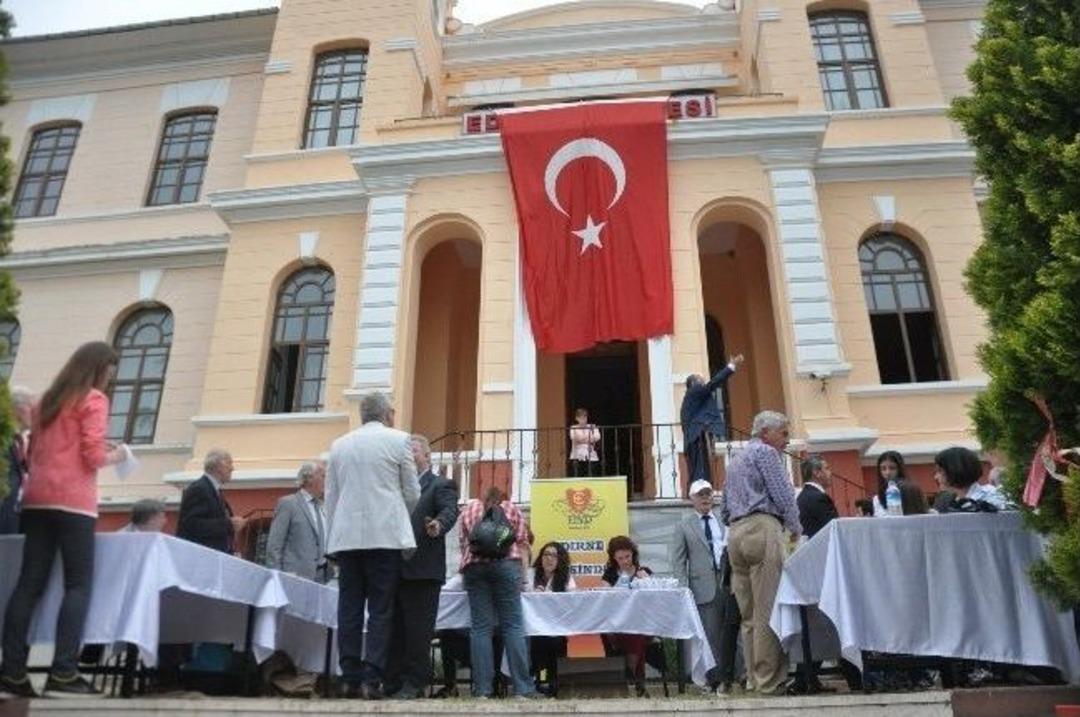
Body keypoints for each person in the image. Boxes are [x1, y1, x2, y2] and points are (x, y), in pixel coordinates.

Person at [0, 342, 127, 697]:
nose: (111, 378)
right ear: (98, 369)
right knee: (78, 585)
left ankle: (11, 671)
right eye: (110, 371)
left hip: (37, 499)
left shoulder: (45, 401)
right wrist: (118, 455)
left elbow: (33, 451)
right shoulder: (94, 400)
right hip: (74, 503)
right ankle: (64, 672)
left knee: (29, 584)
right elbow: (91, 455)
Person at [325, 391, 420, 700]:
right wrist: (394, 515)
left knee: (349, 606)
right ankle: (372, 678)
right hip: (385, 537)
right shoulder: (399, 440)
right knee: (381, 608)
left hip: (348, 538)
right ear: (387, 414)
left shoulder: (339, 445)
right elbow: (412, 493)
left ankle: (349, 676)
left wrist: (333, 539)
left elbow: (332, 497)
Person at [720, 410, 800, 696]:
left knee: (749, 615)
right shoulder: (767, 454)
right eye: (784, 433)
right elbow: (782, 494)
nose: (787, 440)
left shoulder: (736, 459)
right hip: (762, 526)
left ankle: (754, 678)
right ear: (766, 432)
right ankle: (769, 681)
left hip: (736, 534)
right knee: (768, 609)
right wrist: (795, 526)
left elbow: (724, 508)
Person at [384, 434, 459, 700]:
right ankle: (391, 681)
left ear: (427, 456)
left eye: (413, 452)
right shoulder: (395, 487)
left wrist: (438, 525)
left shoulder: (441, 485)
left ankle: (414, 682)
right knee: (394, 630)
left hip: (423, 572)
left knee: (418, 632)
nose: (408, 457)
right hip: (394, 570)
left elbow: (450, 511)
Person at [457, 486, 535, 698]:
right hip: (506, 566)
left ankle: (482, 690)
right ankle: (522, 689)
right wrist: (523, 576)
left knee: (481, 628)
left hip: (475, 568)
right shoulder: (512, 508)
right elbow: (522, 543)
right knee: (513, 627)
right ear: (503, 496)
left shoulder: (469, 509)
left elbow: (464, 544)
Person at [671, 479, 742, 694]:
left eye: (708, 494)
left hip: (728, 584)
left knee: (734, 632)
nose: (705, 498)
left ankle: (737, 675)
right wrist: (684, 589)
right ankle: (715, 678)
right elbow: (678, 560)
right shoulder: (684, 525)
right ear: (692, 499)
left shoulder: (724, 521)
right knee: (711, 635)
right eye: (700, 495)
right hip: (703, 588)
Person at [600, 535, 653, 696]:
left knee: (635, 632)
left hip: (641, 620)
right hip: (616, 621)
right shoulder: (610, 573)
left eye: (627, 556)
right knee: (606, 629)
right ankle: (635, 679)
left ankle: (629, 673)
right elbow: (604, 596)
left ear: (633, 554)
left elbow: (654, 598)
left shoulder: (644, 572)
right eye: (620, 558)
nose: (624, 561)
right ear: (614, 558)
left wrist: (647, 581)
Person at [680, 354, 744, 487]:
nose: (703, 382)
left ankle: (698, 493)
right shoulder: (695, 391)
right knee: (701, 470)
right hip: (696, 435)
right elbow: (713, 383)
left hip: (694, 436)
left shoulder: (692, 397)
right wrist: (731, 366)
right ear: (693, 383)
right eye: (700, 380)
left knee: (698, 468)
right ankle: (701, 493)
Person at [265, 460, 330, 583]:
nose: (327, 481)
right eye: (323, 476)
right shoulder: (288, 504)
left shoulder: (323, 507)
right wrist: (276, 578)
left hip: (323, 576)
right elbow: (274, 545)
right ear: (309, 478)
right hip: (295, 577)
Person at [527, 541, 576, 695]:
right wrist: (534, 594)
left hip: (557, 627)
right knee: (540, 646)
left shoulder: (566, 577)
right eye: (546, 554)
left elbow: (573, 602)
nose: (549, 559)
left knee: (555, 644)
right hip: (534, 627)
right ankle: (542, 681)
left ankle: (555, 681)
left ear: (560, 559)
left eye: (554, 555)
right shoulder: (530, 574)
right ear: (541, 557)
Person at [177, 449, 246, 553]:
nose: (232, 468)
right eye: (230, 463)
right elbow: (191, 525)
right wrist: (229, 524)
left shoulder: (213, 489)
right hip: (200, 557)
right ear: (219, 467)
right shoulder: (199, 489)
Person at [0, 386, 34, 535]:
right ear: (19, 410)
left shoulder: (20, 442)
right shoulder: (5, 439)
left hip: (16, 513)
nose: (36, 414)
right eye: (32, 408)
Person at [934, 446, 1011, 512]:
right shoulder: (945, 502)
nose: (935, 477)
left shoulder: (993, 497)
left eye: (939, 471)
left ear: (956, 469)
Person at [796, 455, 837, 540]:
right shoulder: (818, 498)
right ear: (816, 473)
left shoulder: (803, 496)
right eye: (827, 468)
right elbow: (834, 529)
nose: (830, 473)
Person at [871, 451, 908, 517]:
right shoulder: (877, 499)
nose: (887, 473)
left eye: (892, 468)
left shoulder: (911, 492)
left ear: (900, 469)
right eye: (883, 469)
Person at [567, 408, 601, 477]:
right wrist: (589, 439)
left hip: (591, 456)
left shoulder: (592, 427)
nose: (583, 419)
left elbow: (597, 437)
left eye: (585, 417)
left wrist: (581, 439)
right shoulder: (573, 428)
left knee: (591, 476)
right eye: (581, 417)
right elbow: (574, 438)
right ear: (577, 418)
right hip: (577, 456)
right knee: (578, 478)